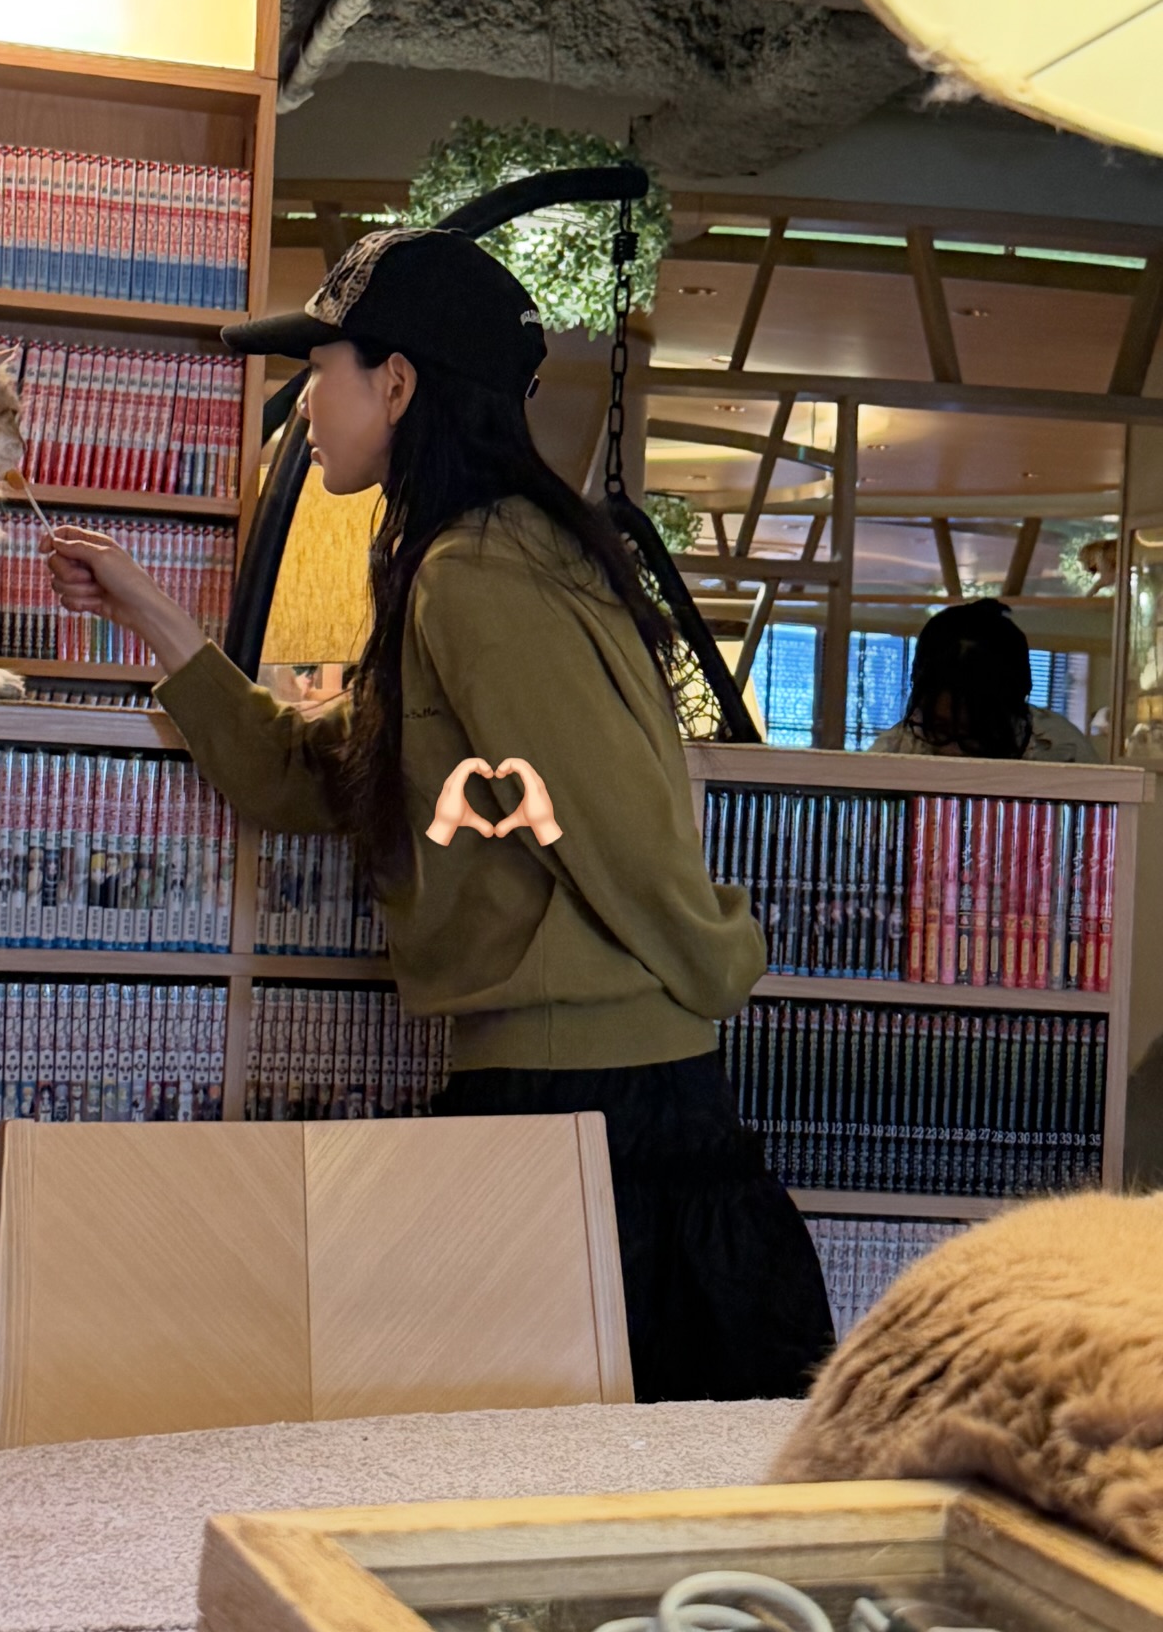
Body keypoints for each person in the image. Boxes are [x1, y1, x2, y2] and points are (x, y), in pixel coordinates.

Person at [45, 227, 834, 1402]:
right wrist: (154, 617)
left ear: (399, 383)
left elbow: (610, 816)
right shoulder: (468, 558)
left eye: (322, 368)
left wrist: (715, 964)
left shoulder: (479, 570)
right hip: (578, 1090)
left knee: (564, 1462)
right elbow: (309, 775)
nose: (303, 406)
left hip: (599, 1100)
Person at [870, 598, 1099, 763]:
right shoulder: (892, 755)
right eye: (939, 729)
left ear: (1015, 708)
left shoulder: (1062, 753)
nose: (953, 753)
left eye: (976, 733)